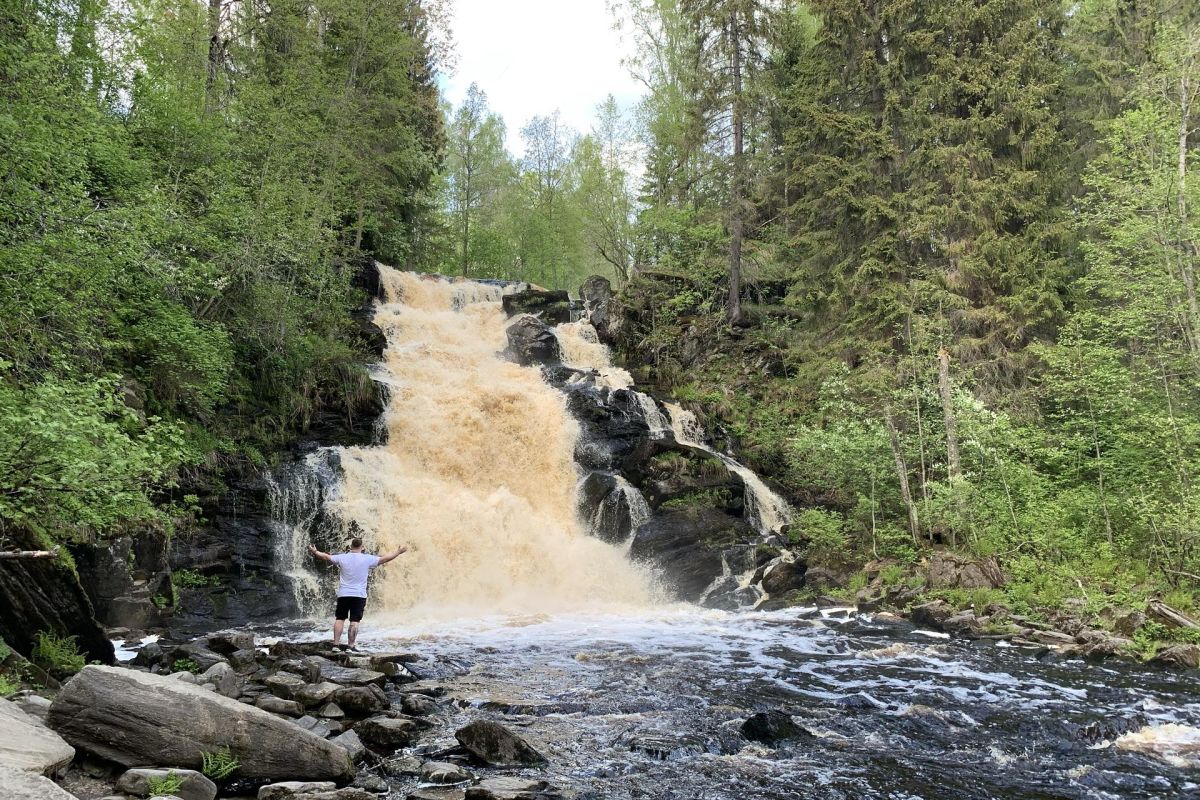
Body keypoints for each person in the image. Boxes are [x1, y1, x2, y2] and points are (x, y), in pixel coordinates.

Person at [308, 537, 406, 650]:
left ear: (350, 547)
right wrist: (398, 552)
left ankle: (335, 645)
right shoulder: (367, 559)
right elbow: (384, 559)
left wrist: (315, 551)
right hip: (359, 595)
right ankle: (350, 647)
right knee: (354, 621)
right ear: (362, 547)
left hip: (344, 594)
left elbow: (325, 557)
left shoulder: (342, 557)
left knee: (340, 618)